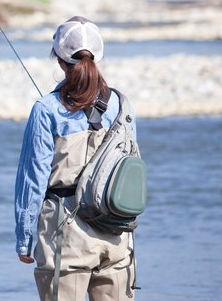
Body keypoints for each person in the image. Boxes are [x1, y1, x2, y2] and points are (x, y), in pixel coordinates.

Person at [14, 16, 137, 301]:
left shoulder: (46, 110)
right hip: (117, 236)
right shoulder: (122, 105)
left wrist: (24, 239)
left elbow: (33, 179)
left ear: (59, 59)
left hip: (64, 239)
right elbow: (131, 170)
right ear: (98, 56)